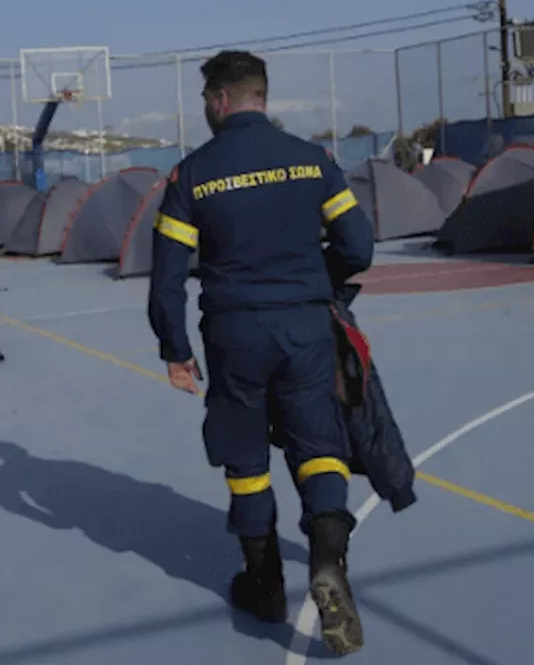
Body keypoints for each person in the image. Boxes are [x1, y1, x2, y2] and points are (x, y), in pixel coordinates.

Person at [148, 50, 375, 656]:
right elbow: (358, 242)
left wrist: (175, 349)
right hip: (304, 327)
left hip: (234, 334)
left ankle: (266, 587)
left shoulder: (191, 175)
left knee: (246, 458)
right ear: (262, 96)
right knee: (318, 445)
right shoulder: (313, 161)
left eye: (205, 100)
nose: (204, 110)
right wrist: (321, 284)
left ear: (220, 99)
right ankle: (329, 563)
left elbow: (167, 277)